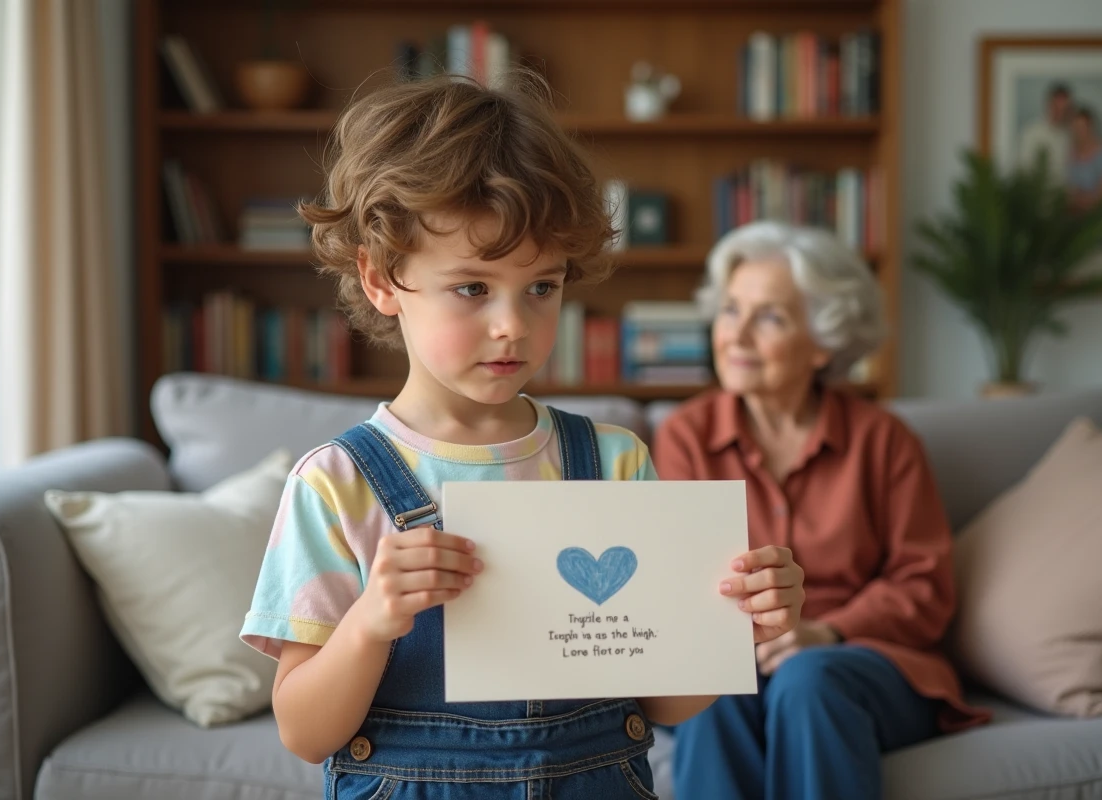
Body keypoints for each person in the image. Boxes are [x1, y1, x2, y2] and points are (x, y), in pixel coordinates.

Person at [238, 74, 805, 800]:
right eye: (473, 288)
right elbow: (305, 731)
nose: (514, 324)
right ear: (381, 279)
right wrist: (370, 625)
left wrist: (737, 628)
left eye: (542, 286)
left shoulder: (613, 461)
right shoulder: (336, 483)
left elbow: (664, 706)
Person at [653, 222, 990, 800]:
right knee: (714, 686)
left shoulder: (885, 441)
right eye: (731, 310)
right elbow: (672, 581)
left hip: (860, 661)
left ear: (824, 343)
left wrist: (828, 631)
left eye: (770, 318)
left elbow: (923, 585)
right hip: (739, 654)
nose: (735, 335)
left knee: (808, 679)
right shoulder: (686, 435)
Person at [1018, 82, 1073, 184]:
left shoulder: (1071, 136)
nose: (1060, 113)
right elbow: (1024, 169)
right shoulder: (1032, 133)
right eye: (1057, 108)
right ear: (1048, 105)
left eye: (1064, 109)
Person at [1066, 106, 1102, 214]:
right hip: (1074, 218)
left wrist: (1082, 201)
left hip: (1097, 219)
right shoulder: (1072, 152)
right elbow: (1069, 189)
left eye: (1081, 127)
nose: (1078, 132)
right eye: (1075, 127)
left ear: (1090, 128)